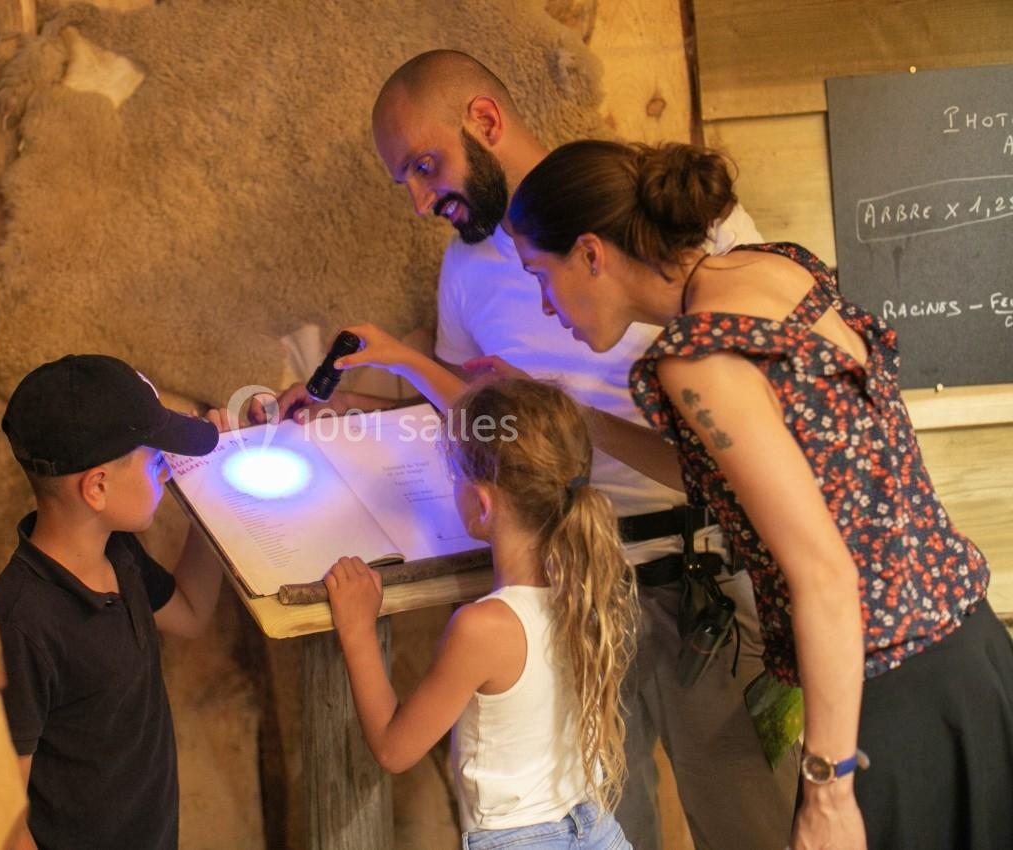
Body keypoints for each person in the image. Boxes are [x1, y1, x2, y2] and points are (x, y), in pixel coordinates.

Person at [274, 50, 798, 849]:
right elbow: (486, 407)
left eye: (426, 165)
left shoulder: (659, 214)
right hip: (569, 599)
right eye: (404, 182)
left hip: (704, 582)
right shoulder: (463, 271)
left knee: (757, 824)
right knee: (605, 827)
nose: (420, 200)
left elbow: (771, 403)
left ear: (484, 121)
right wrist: (360, 390)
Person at [506, 137, 1013, 850]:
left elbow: (825, 574)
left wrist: (829, 792)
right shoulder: (772, 270)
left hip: (890, 695)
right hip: (971, 656)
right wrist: (581, 423)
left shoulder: (697, 357)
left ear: (590, 252)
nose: (544, 303)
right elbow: (748, 480)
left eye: (539, 273)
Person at [325, 377, 637, 850]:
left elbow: (394, 748)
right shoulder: (591, 585)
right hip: (598, 829)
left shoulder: (483, 627)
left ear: (482, 503)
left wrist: (356, 629)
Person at [0, 354, 224, 850]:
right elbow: (1, 813)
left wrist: (212, 489)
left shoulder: (120, 556)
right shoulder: (21, 623)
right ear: (97, 486)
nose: (165, 472)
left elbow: (192, 613)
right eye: (156, 460)